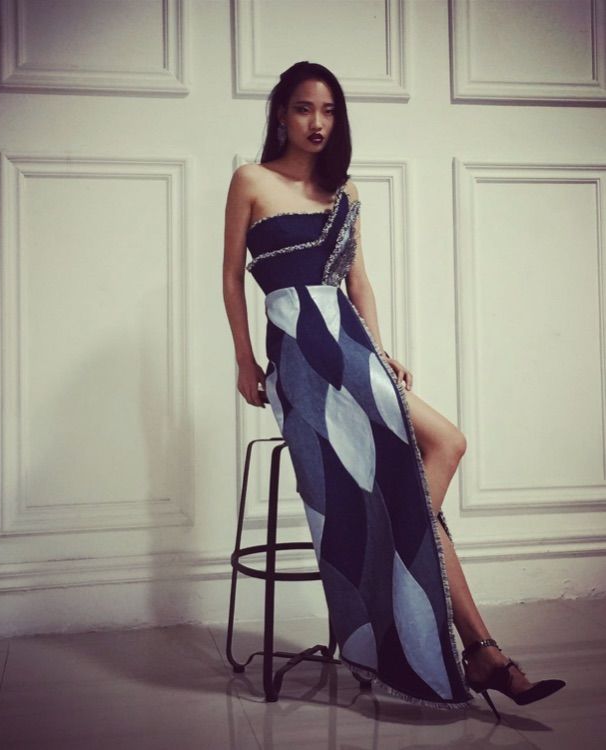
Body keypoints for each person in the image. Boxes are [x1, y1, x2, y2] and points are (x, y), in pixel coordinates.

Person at [222, 60, 565, 717]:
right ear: (281, 114)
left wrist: (380, 353)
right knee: (435, 460)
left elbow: (359, 284)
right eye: (304, 108)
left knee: (443, 449)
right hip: (299, 354)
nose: (317, 122)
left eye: (328, 110)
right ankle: (485, 652)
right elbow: (230, 275)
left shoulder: (344, 192)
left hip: (352, 349)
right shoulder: (251, 180)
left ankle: (479, 649)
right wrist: (244, 359)